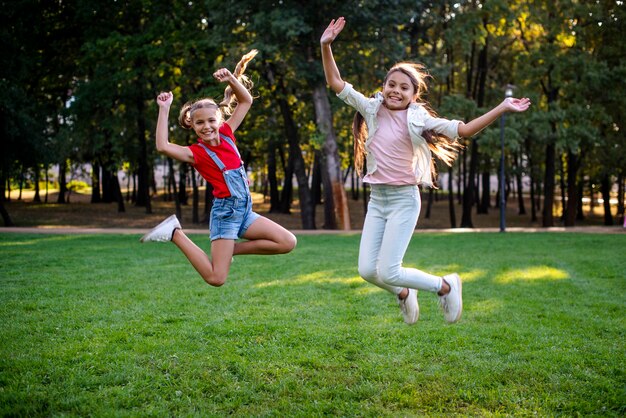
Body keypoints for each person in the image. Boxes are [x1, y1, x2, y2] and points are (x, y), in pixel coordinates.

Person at [320, 17, 531, 324]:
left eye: (404, 87)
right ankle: (405, 293)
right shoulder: (371, 109)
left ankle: (445, 286)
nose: (395, 91)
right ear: (383, 87)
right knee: (367, 270)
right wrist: (326, 45)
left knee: (390, 269)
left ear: (413, 95)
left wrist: (501, 107)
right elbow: (336, 83)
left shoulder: (420, 120)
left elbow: (466, 129)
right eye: (391, 84)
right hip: (378, 201)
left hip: (405, 200)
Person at [141, 50, 297, 287]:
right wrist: (164, 109)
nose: (207, 127)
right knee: (216, 278)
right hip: (225, 215)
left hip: (244, 212)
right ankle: (175, 233)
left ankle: (231, 249)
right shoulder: (197, 153)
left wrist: (232, 80)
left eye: (211, 120)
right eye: (200, 122)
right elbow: (162, 146)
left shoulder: (227, 134)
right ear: (191, 125)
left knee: (287, 242)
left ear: (220, 121)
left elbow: (246, 100)